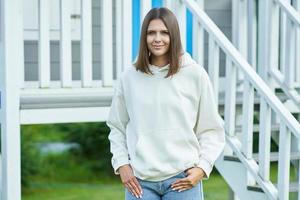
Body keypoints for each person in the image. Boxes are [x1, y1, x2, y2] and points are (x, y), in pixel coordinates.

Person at [106, 7, 225, 200]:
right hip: (140, 182)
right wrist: (122, 164)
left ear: (174, 36)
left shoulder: (195, 74)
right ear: (144, 37)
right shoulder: (129, 77)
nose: (157, 39)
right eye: (151, 33)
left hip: (183, 179)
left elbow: (211, 129)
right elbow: (116, 126)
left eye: (164, 32)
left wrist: (202, 168)